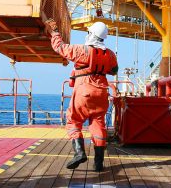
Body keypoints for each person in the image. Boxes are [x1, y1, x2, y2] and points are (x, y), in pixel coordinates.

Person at [45, 19, 118, 172]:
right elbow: (114, 70)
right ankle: (99, 163)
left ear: (91, 34)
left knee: (73, 121)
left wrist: (55, 31)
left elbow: (59, 47)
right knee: (98, 125)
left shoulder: (82, 50)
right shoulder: (110, 54)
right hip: (102, 93)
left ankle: (79, 153)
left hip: (84, 92)